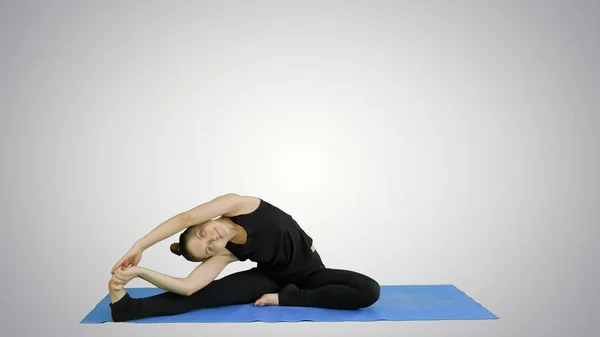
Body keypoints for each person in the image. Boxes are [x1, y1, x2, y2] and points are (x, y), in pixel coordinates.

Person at [108, 193, 380, 322]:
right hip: (271, 278)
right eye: (208, 250)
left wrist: (140, 245)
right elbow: (188, 286)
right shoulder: (227, 251)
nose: (211, 240)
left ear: (203, 222)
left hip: (311, 274)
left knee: (369, 291)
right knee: (203, 295)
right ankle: (127, 309)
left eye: (202, 234)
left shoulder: (239, 205)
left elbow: (185, 217)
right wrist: (141, 272)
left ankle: (291, 297)